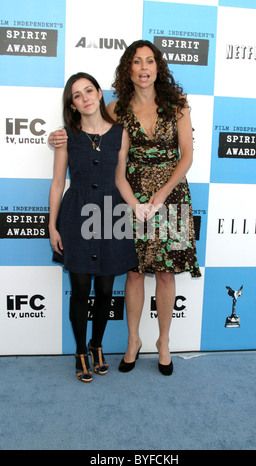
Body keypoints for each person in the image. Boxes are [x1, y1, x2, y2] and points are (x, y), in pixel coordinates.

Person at [49, 40, 201, 376]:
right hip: (128, 196)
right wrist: (55, 138)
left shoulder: (178, 105)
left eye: (150, 61)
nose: (144, 68)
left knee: (165, 272)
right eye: (137, 62)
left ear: (157, 67)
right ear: (127, 69)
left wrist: (161, 194)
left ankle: (163, 342)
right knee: (134, 271)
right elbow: (86, 132)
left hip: (171, 195)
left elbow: (187, 155)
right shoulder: (115, 109)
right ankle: (133, 341)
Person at [49, 72, 138, 383]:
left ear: (100, 94)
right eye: (77, 95)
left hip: (112, 216)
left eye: (89, 90)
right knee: (81, 290)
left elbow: (120, 179)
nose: (85, 97)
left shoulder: (120, 133)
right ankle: (79, 351)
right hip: (77, 215)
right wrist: (52, 227)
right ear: (72, 105)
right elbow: (58, 182)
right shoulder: (65, 136)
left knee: (105, 290)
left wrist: (136, 207)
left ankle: (97, 345)